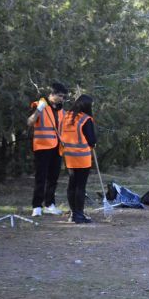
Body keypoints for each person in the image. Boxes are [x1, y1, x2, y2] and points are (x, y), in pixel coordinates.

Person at [27, 83, 68, 217]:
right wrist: (39, 109)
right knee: (41, 178)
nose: (62, 99)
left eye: (64, 97)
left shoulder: (62, 111)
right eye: (60, 96)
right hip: (42, 147)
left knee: (53, 178)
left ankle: (49, 204)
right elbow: (30, 122)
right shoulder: (40, 106)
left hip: (57, 148)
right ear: (52, 94)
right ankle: (37, 206)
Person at [59, 94, 96, 224]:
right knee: (80, 186)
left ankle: (73, 214)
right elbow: (92, 140)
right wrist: (93, 144)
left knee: (72, 185)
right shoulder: (86, 119)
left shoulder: (66, 117)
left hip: (69, 156)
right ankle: (79, 215)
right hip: (82, 157)